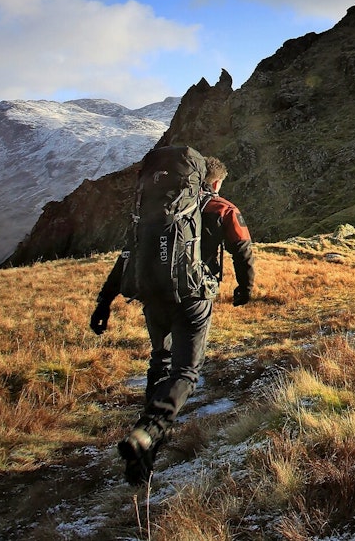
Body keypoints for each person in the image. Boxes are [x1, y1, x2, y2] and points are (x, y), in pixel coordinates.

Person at [90, 154, 256, 485]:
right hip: (194, 299)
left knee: (160, 363)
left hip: (153, 297)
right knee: (185, 372)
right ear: (214, 182)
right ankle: (148, 432)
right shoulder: (221, 207)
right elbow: (243, 248)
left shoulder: (154, 212)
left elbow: (127, 258)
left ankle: (142, 461)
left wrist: (104, 303)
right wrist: (245, 286)